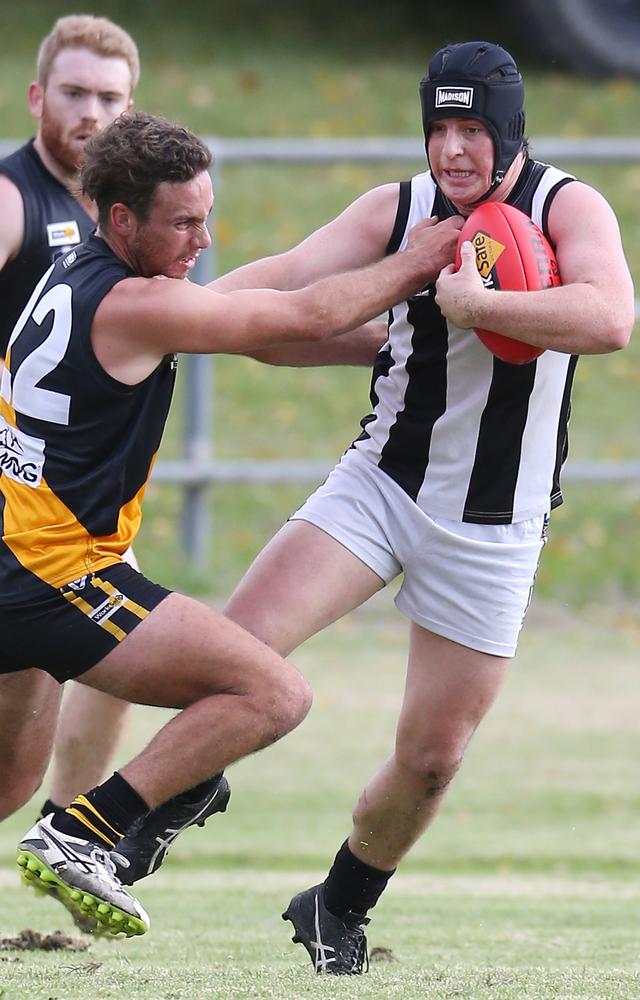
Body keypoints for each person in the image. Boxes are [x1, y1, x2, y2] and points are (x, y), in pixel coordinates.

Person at [198, 41, 630, 973]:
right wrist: (171, 314)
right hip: (384, 481)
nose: (454, 151)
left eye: (474, 129)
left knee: (433, 757)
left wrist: (483, 308)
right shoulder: (399, 206)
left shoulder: (567, 205)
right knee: (232, 653)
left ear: (510, 132)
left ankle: (338, 905)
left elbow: (608, 318)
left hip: (495, 518)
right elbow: (295, 274)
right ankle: (133, 818)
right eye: (440, 127)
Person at [0, 109, 459, 938]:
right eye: (183, 222)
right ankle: (87, 832)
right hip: (54, 575)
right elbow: (298, 316)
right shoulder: (138, 304)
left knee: (3, 781)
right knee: (269, 693)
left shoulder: (80, 270)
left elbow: (270, 336)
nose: (202, 240)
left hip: (14, 557)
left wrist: (396, 347)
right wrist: (417, 261)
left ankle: (90, 818)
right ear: (121, 219)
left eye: (206, 216)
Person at [0, 13, 141, 827]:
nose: (92, 112)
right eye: (75, 92)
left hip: (80, 496)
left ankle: (70, 830)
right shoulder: (16, 197)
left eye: (110, 97)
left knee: (118, 655)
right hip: (21, 505)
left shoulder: (120, 217)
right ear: (37, 98)